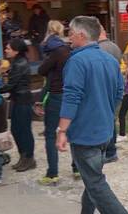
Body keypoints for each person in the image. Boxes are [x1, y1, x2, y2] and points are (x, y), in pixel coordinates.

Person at [56, 16, 128, 214]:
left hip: (85, 134)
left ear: (81, 35)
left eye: (70, 33)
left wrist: (62, 130)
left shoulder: (77, 61)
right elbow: (119, 92)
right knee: (92, 177)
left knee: (95, 183)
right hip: (104, 131)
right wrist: (107, 113)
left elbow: (71, 97)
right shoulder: (110, 60)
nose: (68, 38)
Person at [37, 21, 76, 185]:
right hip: (71, 93)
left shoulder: (51, 50)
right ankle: (78, 168)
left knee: (51, 134)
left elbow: (41, 70)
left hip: (55, 95)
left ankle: (52, 173)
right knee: (73, 132)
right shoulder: (69, 49)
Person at [0, 38, 36, 172]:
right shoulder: (17, 62)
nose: (6, 50)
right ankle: (24, 157)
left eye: (8, 48)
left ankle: (29, 158)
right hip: (18, 99)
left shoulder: (19, 64)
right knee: (16, 130)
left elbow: (11, 85)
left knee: (23, 131)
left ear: (16, 51)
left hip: (22, 101)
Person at [98, 25, 122, 164]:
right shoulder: (115, 47)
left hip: (104, 87)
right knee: (111, 118)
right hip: (114, 85)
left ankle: (108, 151)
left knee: (105, 120)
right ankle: (111, 151)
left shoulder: (99, 49)